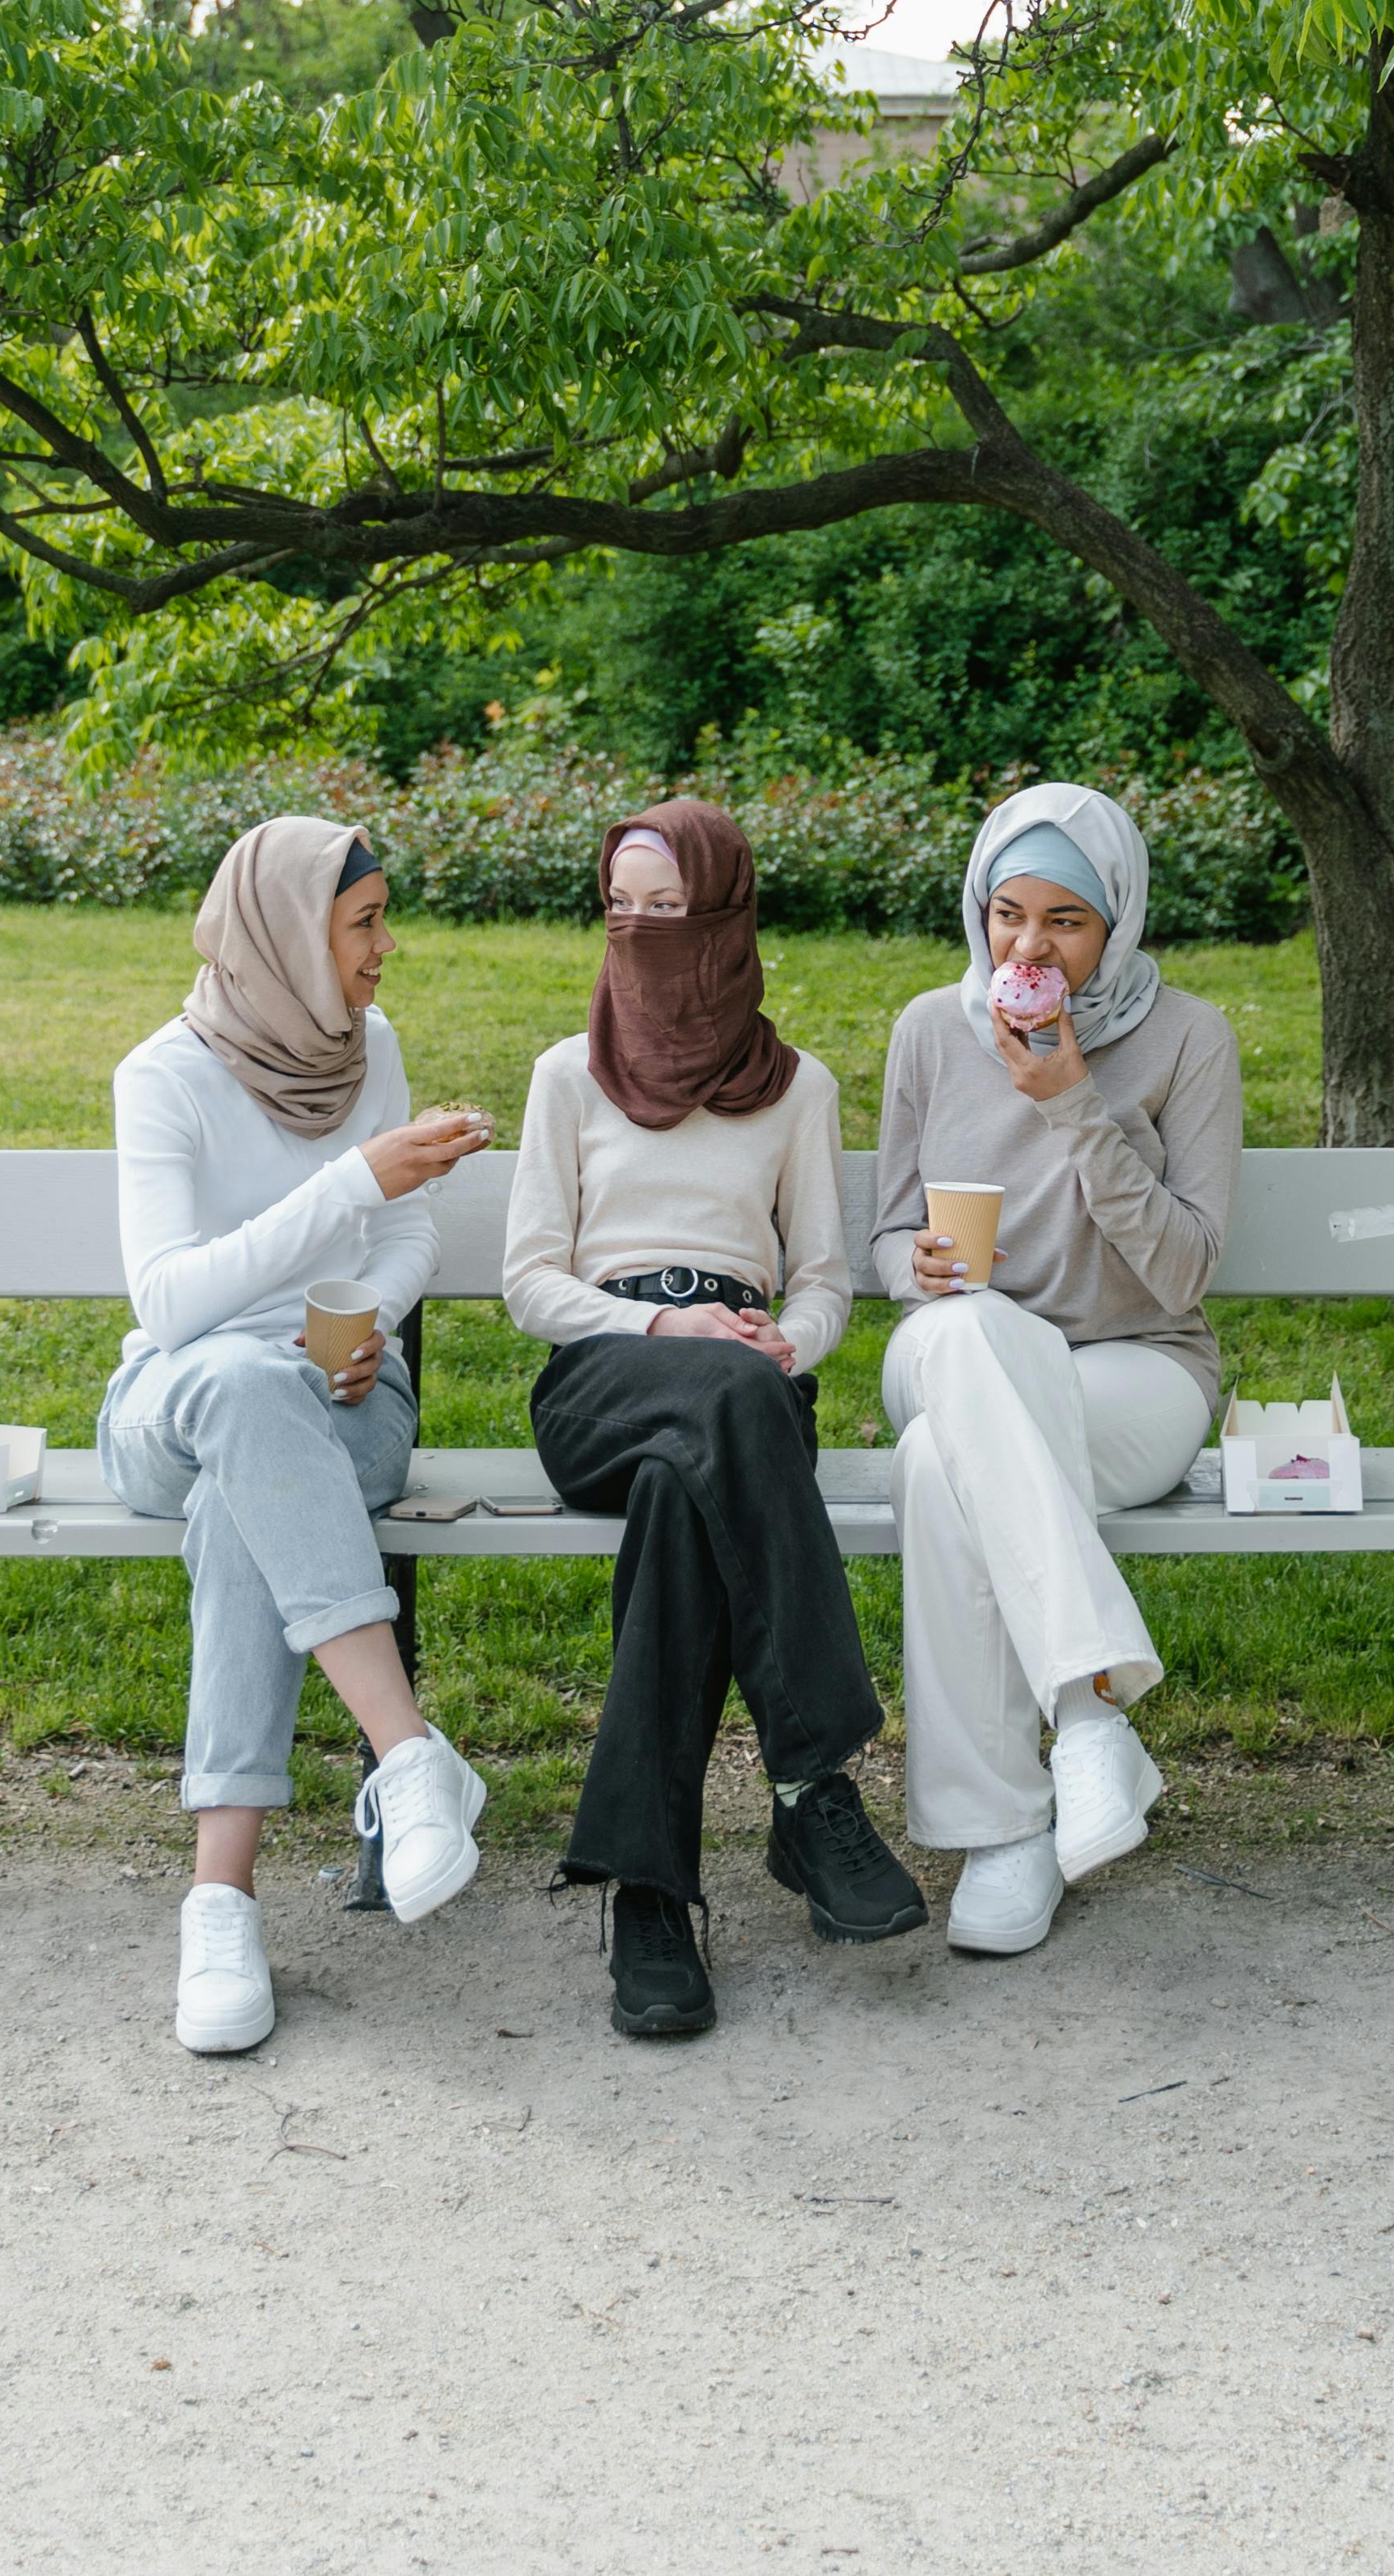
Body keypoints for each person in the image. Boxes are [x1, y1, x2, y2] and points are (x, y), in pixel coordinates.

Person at [504, 797, 926, 2041]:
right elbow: (532, 1283)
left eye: (666, 911)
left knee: (688, 1499)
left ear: (726, 920)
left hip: (742, 1392)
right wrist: (668, 1331)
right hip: (605, 1376)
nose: (637, 933)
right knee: (728, 1410)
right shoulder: (565, 1076)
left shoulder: (798, 1090)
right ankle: (812, 1782)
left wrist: (788, 1340)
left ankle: (649, 1894)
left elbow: (827, 1284)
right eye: (619, 910)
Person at [96, 813, 496, 2056]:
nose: (388, 949)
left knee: (247, 1496)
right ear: (286, 933)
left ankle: (220, 1899)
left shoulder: (366, 1045)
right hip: (176, 1404)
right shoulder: (161, 1075)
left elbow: (403, 1236)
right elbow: (166, 1304)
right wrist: (354, 1180)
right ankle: (410, 1752)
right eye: (366, 923)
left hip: (344, 1404)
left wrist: (368, 1315)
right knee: (238, 1390)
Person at [870, 779, 1244, 1958]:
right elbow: (886, 1232)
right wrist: (913, 1268)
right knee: (969, 1345)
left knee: (941, 1466)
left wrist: (1077, 1102)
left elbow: (1185, 1270)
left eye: (1065, 922)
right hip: (954, 1342)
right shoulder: (933, 1029)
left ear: (1116, 924)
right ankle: (1091, 1725)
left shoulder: (1189, 1039)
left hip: (1132, 1373)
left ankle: (1003, 1837)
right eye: (1007, 913)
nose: (1028, 946)